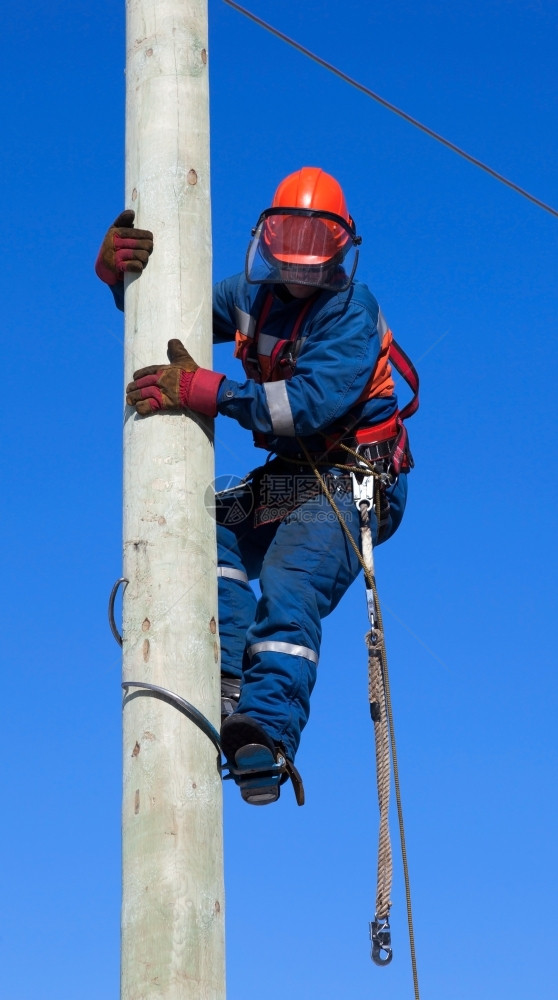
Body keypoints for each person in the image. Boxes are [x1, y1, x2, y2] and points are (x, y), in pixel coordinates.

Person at [96, 166, 417, 806]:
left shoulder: (352, 312)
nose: (300, 272)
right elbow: (167, 310)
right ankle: (228, 687)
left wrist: (205, 391)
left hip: (355, 477)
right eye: (289, 254)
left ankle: (266, 732)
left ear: (338, 252)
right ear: (270, 243)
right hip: (294, 475)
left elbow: (303, 408)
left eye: (314, 257)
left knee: (292, 577)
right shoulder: (251, 295)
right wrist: (120, 277)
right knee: (207, 527)